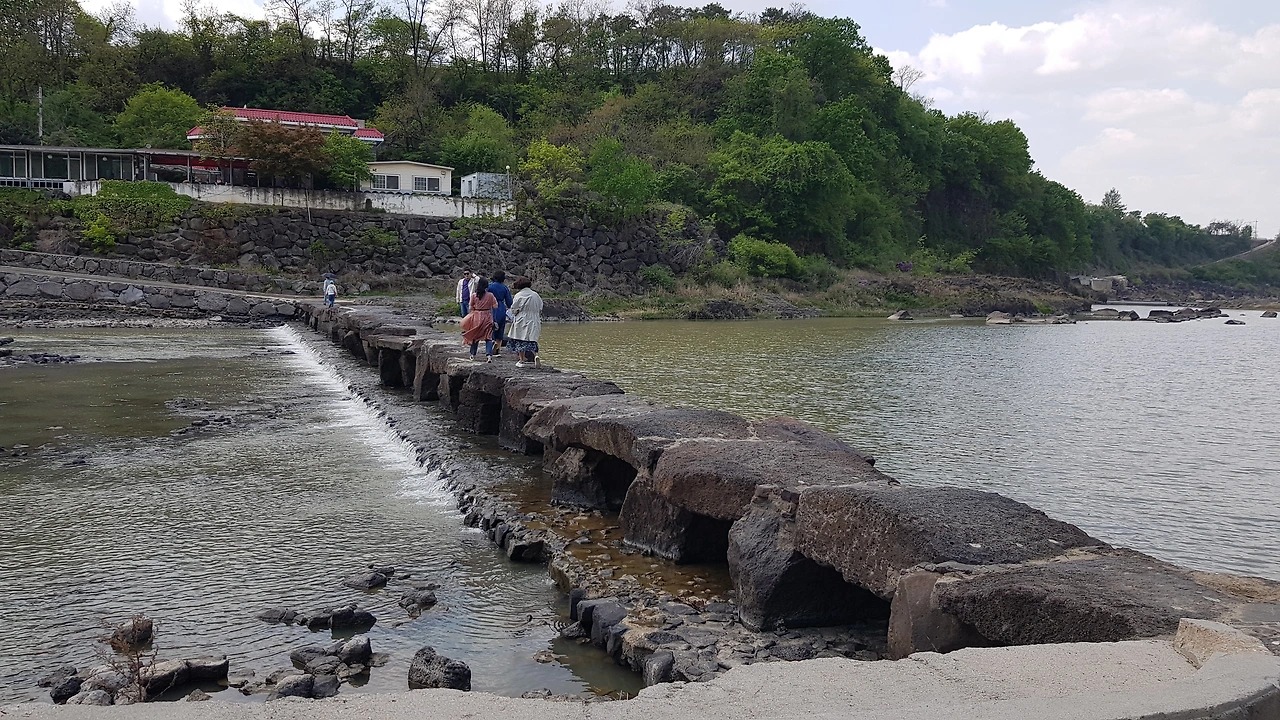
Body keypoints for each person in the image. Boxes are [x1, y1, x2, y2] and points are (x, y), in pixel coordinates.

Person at [506, 276, 543, 369]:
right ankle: (536, 355)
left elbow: (514, 309)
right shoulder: (536, 295)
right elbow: (540, 307)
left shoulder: (519, 295)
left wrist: (515, 312)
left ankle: (521, 360)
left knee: (520, 339)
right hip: (534, 319)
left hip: (522, 319)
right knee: (532, 339)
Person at [461, 276, 497, 361]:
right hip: (487, 316)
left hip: (476, 317)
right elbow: (495, 306)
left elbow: (470, 307)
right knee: (488, 337)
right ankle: (489, 355)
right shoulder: (490, 295)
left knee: (475, 336)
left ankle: (472, 354)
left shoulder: (474, 295)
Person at [487, 270, 513, 354]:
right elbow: (509, 302)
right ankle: (498, 348)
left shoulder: (489, 286)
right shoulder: (505, 288)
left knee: (491, 329)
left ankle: (491, 345)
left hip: (491, 308)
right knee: (501, 329)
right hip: (501, 308)